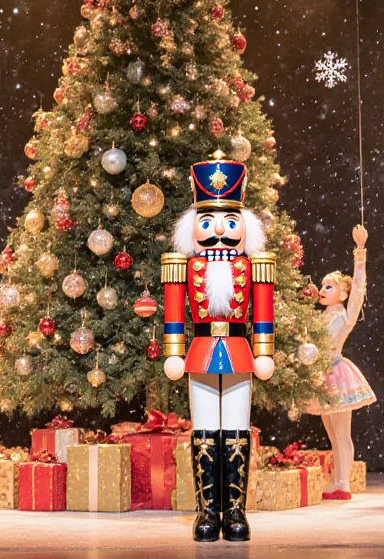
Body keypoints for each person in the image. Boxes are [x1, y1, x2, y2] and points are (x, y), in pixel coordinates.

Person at [161, 156, 275, 542]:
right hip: (201, 349)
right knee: (206, 429)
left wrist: (264, 350)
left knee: (237, 429)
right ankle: (208, 511)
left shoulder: (254, 265)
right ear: (193, 226)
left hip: (241, 349)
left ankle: (236, 512)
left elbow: (263, 312)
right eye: (208, 222)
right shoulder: (184, 266)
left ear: (244, 226)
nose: (219, 232)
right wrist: (174, 350)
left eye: (229, 223)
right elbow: (175, 312)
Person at [304, 224, 374, 501]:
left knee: (342, 433)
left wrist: (360, 251)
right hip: (321, 376)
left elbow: (359, 288)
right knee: (332, 435)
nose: (323, 289)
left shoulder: (345, 315)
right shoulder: (319, 318)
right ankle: (336, 480)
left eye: (329, 286)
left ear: (342, 295)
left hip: (337, 372)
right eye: (322, 286)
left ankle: (343, 482)